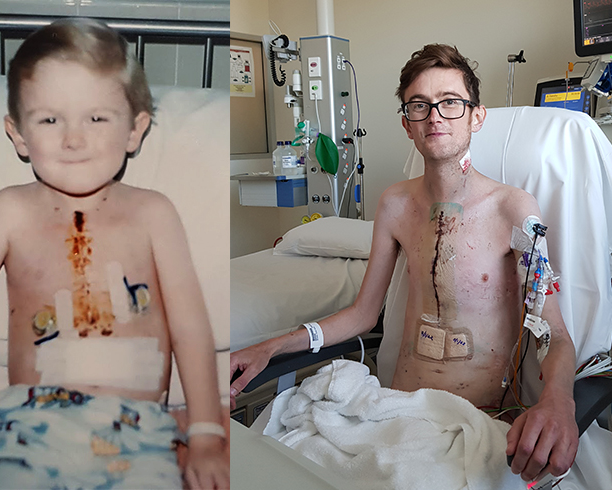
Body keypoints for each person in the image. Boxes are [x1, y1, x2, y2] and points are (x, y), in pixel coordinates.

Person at [0, 18, 228, 490]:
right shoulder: (11, 211)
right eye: (50, 119)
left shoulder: (153, 213)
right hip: (29, 424)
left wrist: (206, 436)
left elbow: (190, 325)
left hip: (136, 432)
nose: (73, 139)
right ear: (18, 134)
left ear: (135, 131)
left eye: (96, 118)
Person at [230, 44, 578, 483]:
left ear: (476, 116)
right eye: (420, 105)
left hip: (472, 421)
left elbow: (556, 334)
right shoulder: (394, 205)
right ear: (407, 124)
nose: (435, 115)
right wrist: (270, 346)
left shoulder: (514, 210)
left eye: (451, 102)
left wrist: (558, 401)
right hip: (389, 412)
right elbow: (362, 314)